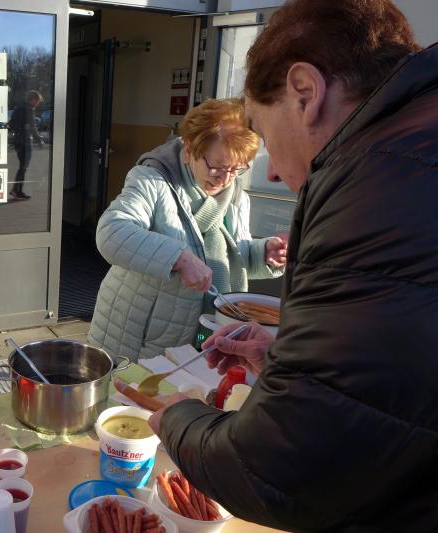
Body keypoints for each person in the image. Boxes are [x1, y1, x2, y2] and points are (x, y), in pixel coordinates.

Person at [148, 1, 438, 530]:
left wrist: (178, 419)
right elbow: (396, 380)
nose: (273, 175)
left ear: (305, 92)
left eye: (263, 132)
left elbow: (279, 468)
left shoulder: (377, 189)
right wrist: (290, 359)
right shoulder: (411, 149)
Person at [87, 98, 287, 360]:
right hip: (137, 338)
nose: (225, 179)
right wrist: (178, 258)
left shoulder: (237, 196)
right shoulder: (152, 180)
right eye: (216, 167)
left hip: (203, 336)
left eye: (237, 168)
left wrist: (264, 254)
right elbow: (112, 232)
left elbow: (232, 257)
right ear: (189, 151)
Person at [8, 89, 44, 200]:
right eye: (38, 101)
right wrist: (38, 140)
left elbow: (11, 124)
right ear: (33, 99)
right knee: (23, 167)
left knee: (22, 167)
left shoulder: (18, 109)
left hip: (18, 141)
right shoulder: (29, 109)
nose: (38, 104)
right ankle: (16, 191)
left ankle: (16, 189)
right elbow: (32, 127)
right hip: (25, 141)